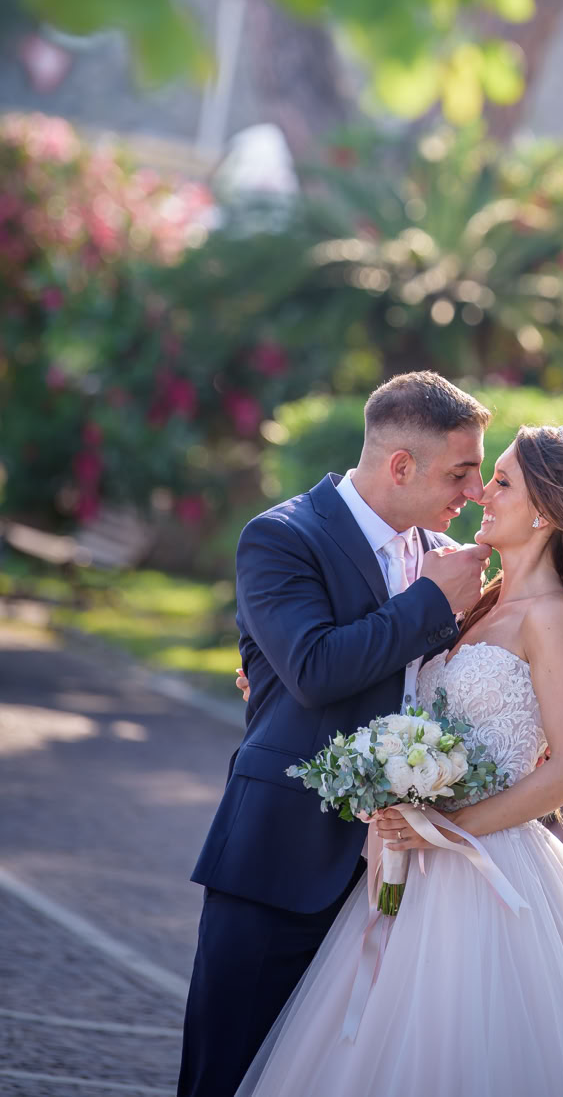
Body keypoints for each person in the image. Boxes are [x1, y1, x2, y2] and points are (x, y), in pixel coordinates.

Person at [233, 420, 563, 1097]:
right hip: (414, 859)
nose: (481, 496)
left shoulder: (551, 619)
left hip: (481, 865)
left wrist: (449, 825)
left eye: (501, 482)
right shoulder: (479, 599)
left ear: (549, 511)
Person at [177, 371, 492, 1097]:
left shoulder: (436, 555)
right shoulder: (283, 537)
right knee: (224, 1075)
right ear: (400, 466)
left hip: (391, 880)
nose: (472, 491)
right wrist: (427, 603)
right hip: (278, 861)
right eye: (460, 471)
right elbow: (315, 668)